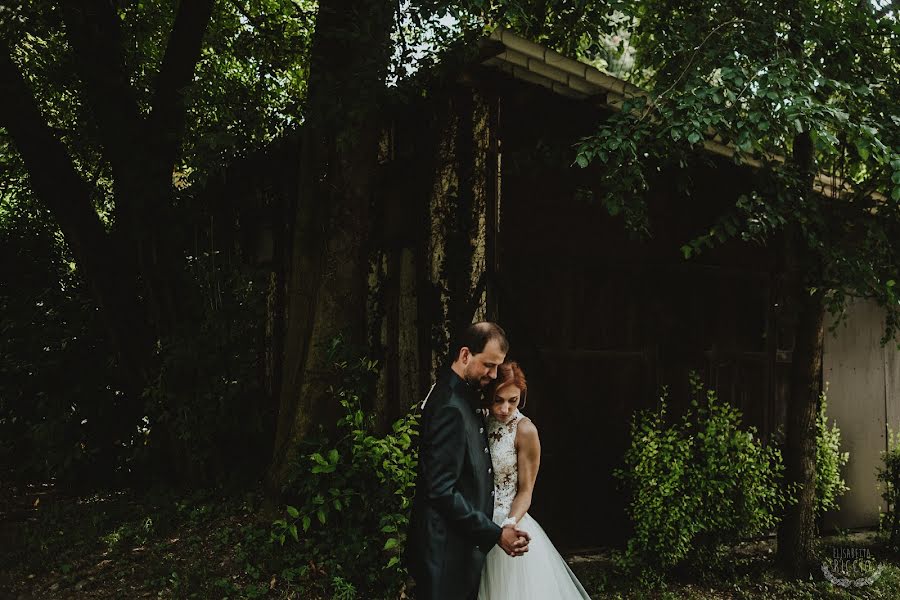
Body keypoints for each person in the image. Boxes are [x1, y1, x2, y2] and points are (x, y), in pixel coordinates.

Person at [406, 322, 531, 600]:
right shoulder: (449, 405)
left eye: (497, 366)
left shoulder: (465, 395)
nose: (493, 374)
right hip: (443, 552)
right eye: (488, 365)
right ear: (465, 355)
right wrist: (495, 534)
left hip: (460, 548)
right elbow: (441, 490)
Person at [478, 361, 592, 599]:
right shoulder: (480, 419)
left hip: (508, 521)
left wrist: (508, 524)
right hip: (477, 521)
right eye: (498, 399)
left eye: (513, 400)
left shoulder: (525, 430)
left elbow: (526, 491)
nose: (505, 408)